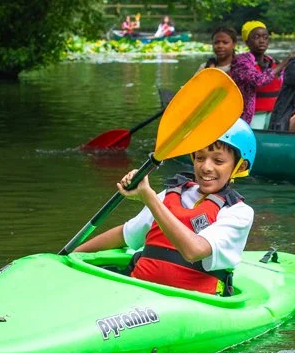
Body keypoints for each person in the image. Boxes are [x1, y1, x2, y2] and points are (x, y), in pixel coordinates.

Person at [76, 120, 256, 295]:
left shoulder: (238, 213)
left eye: (218, 161)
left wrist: (148, 197)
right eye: (200, 158)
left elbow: (194, 251)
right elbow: (124, 235)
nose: (206, 167)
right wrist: (71, 256)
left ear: (240, 166)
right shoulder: (171, 194)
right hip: (139, 288)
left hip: (195, 302)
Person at [201, 24, 278, 126]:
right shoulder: (206, 67)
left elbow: (258, 80)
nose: (220, 46)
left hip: (237, 116)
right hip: (215, 115)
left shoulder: (240, 66)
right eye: (216, 43)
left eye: (225, 43)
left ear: (233, 44)